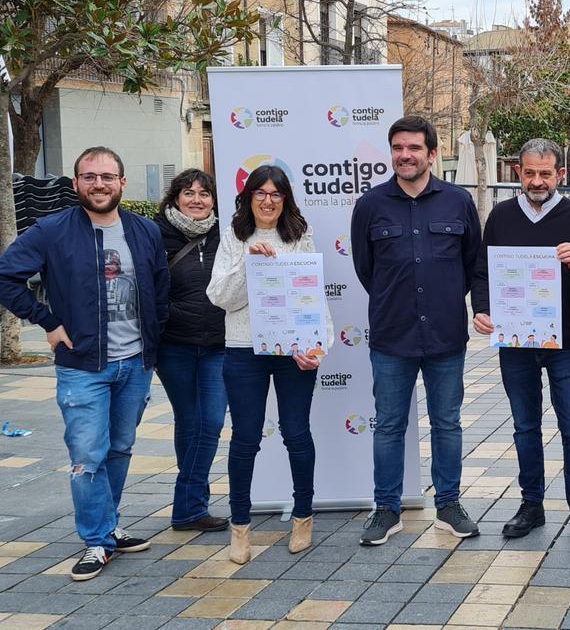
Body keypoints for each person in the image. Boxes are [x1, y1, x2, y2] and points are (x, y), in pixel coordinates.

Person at [0, 146, 168, 581]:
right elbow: (6, 276)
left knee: (119, 448)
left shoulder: (144, 230)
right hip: (82, 366)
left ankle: (108, 528)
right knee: (86, 457)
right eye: (89, 176)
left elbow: (159, 288)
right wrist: (48, 323)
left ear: (122, 183)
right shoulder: (52, 230)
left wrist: (154, 341)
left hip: (134, 363)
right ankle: (96, 540)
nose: (99, 184)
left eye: (107, 176)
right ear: (76, 183)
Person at [351, 115, 482, 546]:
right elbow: (365, 270)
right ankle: (386, 509)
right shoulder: (370, 205)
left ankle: (448, 505)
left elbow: (471, 265)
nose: (405, 155)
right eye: (397, 148)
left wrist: (450, 300)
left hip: (446, 336)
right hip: (392, 336)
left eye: (413, 148)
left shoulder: (458, 202)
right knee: (389, 426)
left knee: (448, 424)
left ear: (432, 152)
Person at [470, 138, 570, 548]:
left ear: (559, 174)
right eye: (529, 172)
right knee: (525, 428)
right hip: (515, 342)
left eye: (546, 173)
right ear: (518, 173)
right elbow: (482, 271)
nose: (537, 180)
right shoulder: (501, 216)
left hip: (566, 341)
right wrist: (482, 308)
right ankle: (532, 505)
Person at [207, 165, 331, 564]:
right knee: (245, 439)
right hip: (244, 349)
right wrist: (249, 263)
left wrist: (316, 346)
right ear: (248, 197)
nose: (267, 200)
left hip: (292, 351)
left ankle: (303, 516)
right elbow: (220, 297)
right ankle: (240, 527)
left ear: (285, 199)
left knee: (297, 433)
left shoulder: (299, 236)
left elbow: (312, 295)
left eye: (276, 194)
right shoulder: (234, 237)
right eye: (260, 192)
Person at [153, 169, 229, 533]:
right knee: (190, 422)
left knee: (210, 422)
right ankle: (192, 507)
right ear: (175, 197)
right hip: (175, 346)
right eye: (189, 192)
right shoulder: (156, 234)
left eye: (205, 193)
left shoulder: (226, 233)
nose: (197, 199)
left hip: (218, 345)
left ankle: (187, 504)